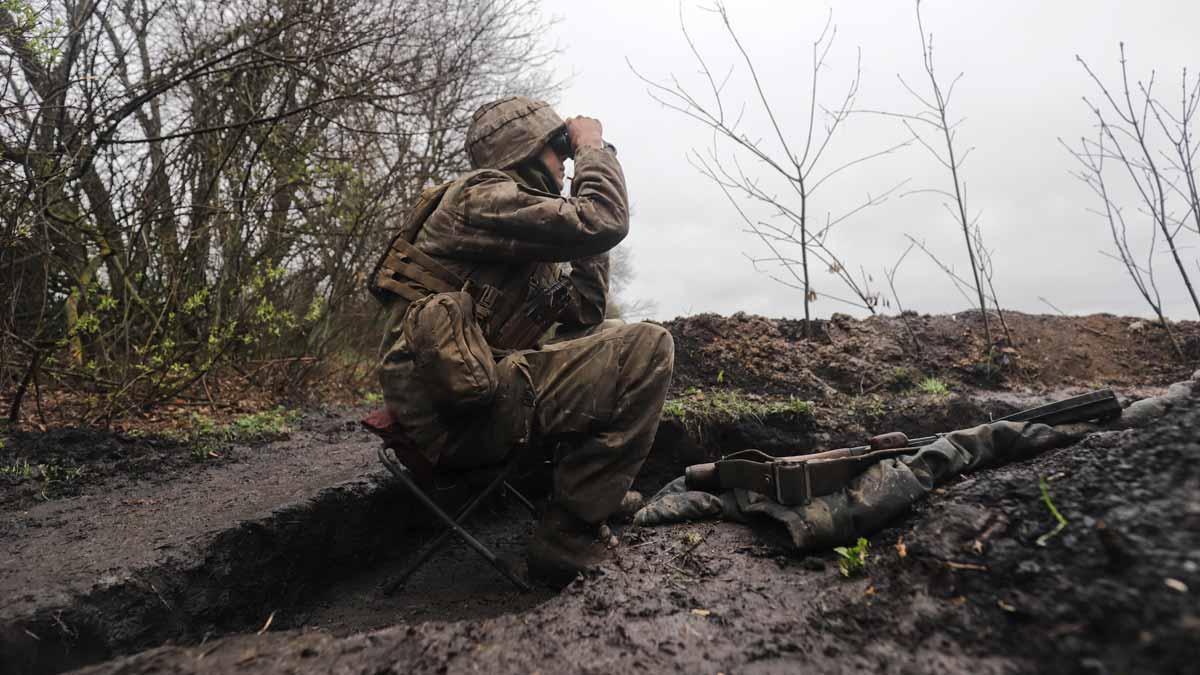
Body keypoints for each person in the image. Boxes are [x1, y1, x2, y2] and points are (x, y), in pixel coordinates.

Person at [373, 96, 674, 585]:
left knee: (618, 337)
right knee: (650, 347)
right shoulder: (478, 200)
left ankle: (593, 489)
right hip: (452, 415)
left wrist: (581, 221)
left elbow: (584, 311)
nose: (567, 157)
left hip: (475, 397)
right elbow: (604, 220)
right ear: (527, 151)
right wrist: (595, 150)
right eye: (561, 149)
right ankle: (568, 537)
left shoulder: (516, 234)